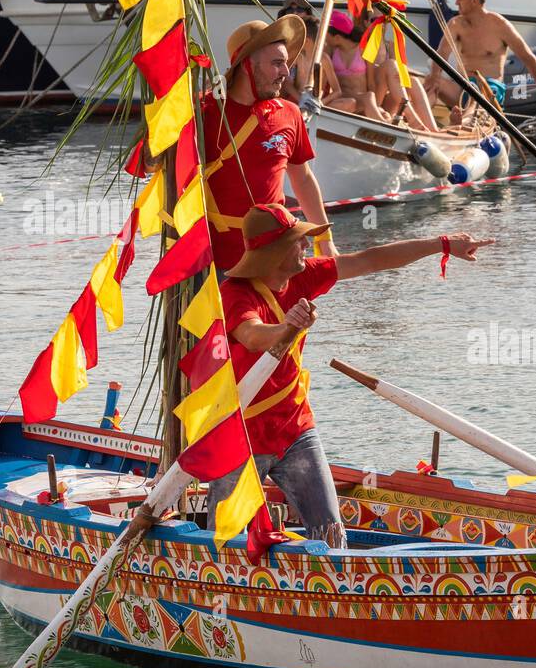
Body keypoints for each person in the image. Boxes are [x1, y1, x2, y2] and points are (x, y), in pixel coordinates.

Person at [208, 204, 494, 544]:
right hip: (241, 433)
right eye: (298, 241)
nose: (306, 246)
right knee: (222, 541)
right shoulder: (234, 294)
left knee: (331, 534)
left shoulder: (304, 275)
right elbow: (252, 336)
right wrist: (286, 327)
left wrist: (441, 244)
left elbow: (371, 260)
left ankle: (330, 587)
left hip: (295, 429)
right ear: (275, 252)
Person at [203, 17, 334, 276]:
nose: (286, 72)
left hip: (279, 257)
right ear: (247, 66)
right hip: (217, 264)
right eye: (277, 63)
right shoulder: (202, 112)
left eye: (286, 63)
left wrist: (325, 239)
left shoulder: (289, 112)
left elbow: (303, 179)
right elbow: (155, 164)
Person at [424, 0, 536, 121]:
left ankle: (464, 124)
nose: (456, 2)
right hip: (462, 88)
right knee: (431, 81)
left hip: (490, 89)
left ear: (474, 0)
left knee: (477, 94)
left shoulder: (500, 25)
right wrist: (435, 76)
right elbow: (441, 53)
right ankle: (420, 123)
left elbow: (530, 59)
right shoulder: (455, 24)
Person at [325, 10, 390, 121]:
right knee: (368, 97)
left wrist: (376, 106)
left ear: (337, 37)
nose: (324, 38)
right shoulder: (331, 50)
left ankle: (381, 123)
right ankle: (383, 127)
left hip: (361, 98)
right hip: (343, 97)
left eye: (326, 34)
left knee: (378, 106)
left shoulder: (363, 49)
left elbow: (370, 82)